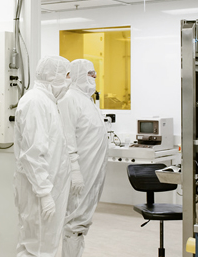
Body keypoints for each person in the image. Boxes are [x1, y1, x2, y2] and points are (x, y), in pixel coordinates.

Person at [14, 56, 72, 257]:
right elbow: (32, 154)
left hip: (47, 188)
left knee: (42, 246)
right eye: (65, 76)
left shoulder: (48, 102)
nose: (68, 82)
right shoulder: (35, 102)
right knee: (36, 248)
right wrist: (45, 193)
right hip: (39, 193)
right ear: (52, 76)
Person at [58, 59, 109, 257]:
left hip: (93, 171)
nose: (93, 78)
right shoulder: (69, 99)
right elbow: (67, 137)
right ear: (77, 74)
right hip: (81, 172)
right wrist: (75, 169)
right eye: (89, 74)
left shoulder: (87, 101)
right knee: (74, 221)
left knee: (82, 221)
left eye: (95, 75)